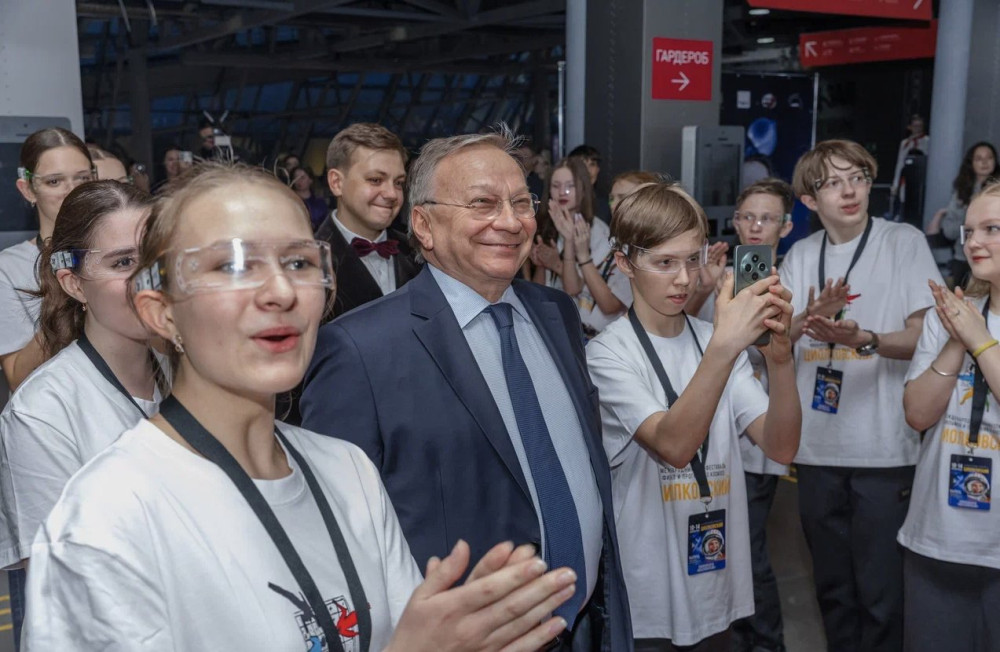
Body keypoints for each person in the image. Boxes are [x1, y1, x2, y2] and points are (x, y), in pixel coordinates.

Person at [21, 162, 577, 651]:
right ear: (161, 312)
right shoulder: (107, 521)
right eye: (232, 266)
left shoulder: (348, 472)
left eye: (297, 262)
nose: (281, 292)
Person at [301, 129, 633, 650]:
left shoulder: (556, 314)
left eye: (521, 203)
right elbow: (335, 537)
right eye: (482, 203)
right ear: (424, 225)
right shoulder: (358, 350)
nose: (511, 221)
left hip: (587, 625)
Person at [586, 181, 800, 650]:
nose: (684, 279)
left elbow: (781, 446)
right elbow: (674, 445)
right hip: (648, 589)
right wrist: (725, 345)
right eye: (665, 263)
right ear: (624, 263)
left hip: (715, 579)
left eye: (692, 259)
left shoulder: (712, 339)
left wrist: (781, 362)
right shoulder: (608, 353)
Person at [779, 139, 943, 651]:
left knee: (881, 594)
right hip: (816, 450)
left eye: (857, 178)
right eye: (833, 183)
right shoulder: (801, 255)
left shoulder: (902, 242)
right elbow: (773, 342)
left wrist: (865, 339)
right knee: (832, 591)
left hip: (884, 451)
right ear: (810, 200)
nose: (849, 191)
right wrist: (810, 317)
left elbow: (926, 337)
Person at [0, 181, 159, 649]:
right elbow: (66, 591)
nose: (147, 278)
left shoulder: (193, 371)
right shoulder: (42, 412)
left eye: (154, 257)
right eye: (123, 263)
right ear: (73, 283)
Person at [692, 178, 797, 652]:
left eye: (767, 218)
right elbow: (695, 339)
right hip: (710, 437)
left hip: (757, 434)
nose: (756, 226)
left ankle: (767, 643)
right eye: (748, 217)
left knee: (749, 552)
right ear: (735, 222)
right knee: (721, 552)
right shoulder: (719, 276)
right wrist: (706, 289)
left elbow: (774, 351)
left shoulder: (789, 282)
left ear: (785, 227)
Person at [900, 181, 1000, 651]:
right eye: (970, 230)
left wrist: (979, 339)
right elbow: (918, 414)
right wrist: (957, 341)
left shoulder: (969, 324)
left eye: (992, 229)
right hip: (936, 538)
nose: (974, 241)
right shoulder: (950, 316)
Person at [3, 128, 95, 391]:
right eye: (54, 181)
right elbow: (17, 377)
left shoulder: (119, 253)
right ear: (28, 190)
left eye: (82, 178)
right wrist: (65, 298)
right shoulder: (9, 268)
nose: (72, 190)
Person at [315, 123, 420, 318]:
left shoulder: (419, 251)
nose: (392, 194)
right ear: (337, 183)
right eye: (375, 180)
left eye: (398, 182)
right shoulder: (310, 262)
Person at [566, 170, 659, 338]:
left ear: (646, 202)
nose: (613, 204)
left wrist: (583, 256)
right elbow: (576, 287)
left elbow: (609, 305)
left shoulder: (643, 250)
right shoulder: (617, 240)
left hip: (611, 338)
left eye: (622, 197)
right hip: (585, 333)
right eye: (611, 198)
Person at [531, 158, 611, 333]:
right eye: (556, 186)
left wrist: (557, 263)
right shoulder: (546, 225)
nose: (562, 192)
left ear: (583, 189)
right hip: (549, 321)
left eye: (570, 186)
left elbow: (574, 288)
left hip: (584, 326)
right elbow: (538, 292)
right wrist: (541, 263)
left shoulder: (597, 231)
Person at [928, 142, 999, 287]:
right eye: (979, 159)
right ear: (971, 163)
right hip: (962, 256)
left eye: (989, 158)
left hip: (994, 257)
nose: (984, 162)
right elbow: (949, 231)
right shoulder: (961, 190)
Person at [890, 114, 930, 211]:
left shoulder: (928, 141)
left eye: (920, 126)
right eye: (915, 126)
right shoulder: (905, 143)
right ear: (910, 127)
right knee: (904, 201)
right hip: (907, 177)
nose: (917, 129)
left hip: (921, 177)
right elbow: (900, 163)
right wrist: (895, 184)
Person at [569, 144, 609, 224]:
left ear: (598, 170)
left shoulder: (606, 203)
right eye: (582, 165)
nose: (588, 171)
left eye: (592, 164)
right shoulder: (564, 199)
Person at [289, 166, 328, 232]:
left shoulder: (319, 202)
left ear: (310, 180)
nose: (299, 181)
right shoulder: (289, 200)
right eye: (295, 178)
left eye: (302, 178)